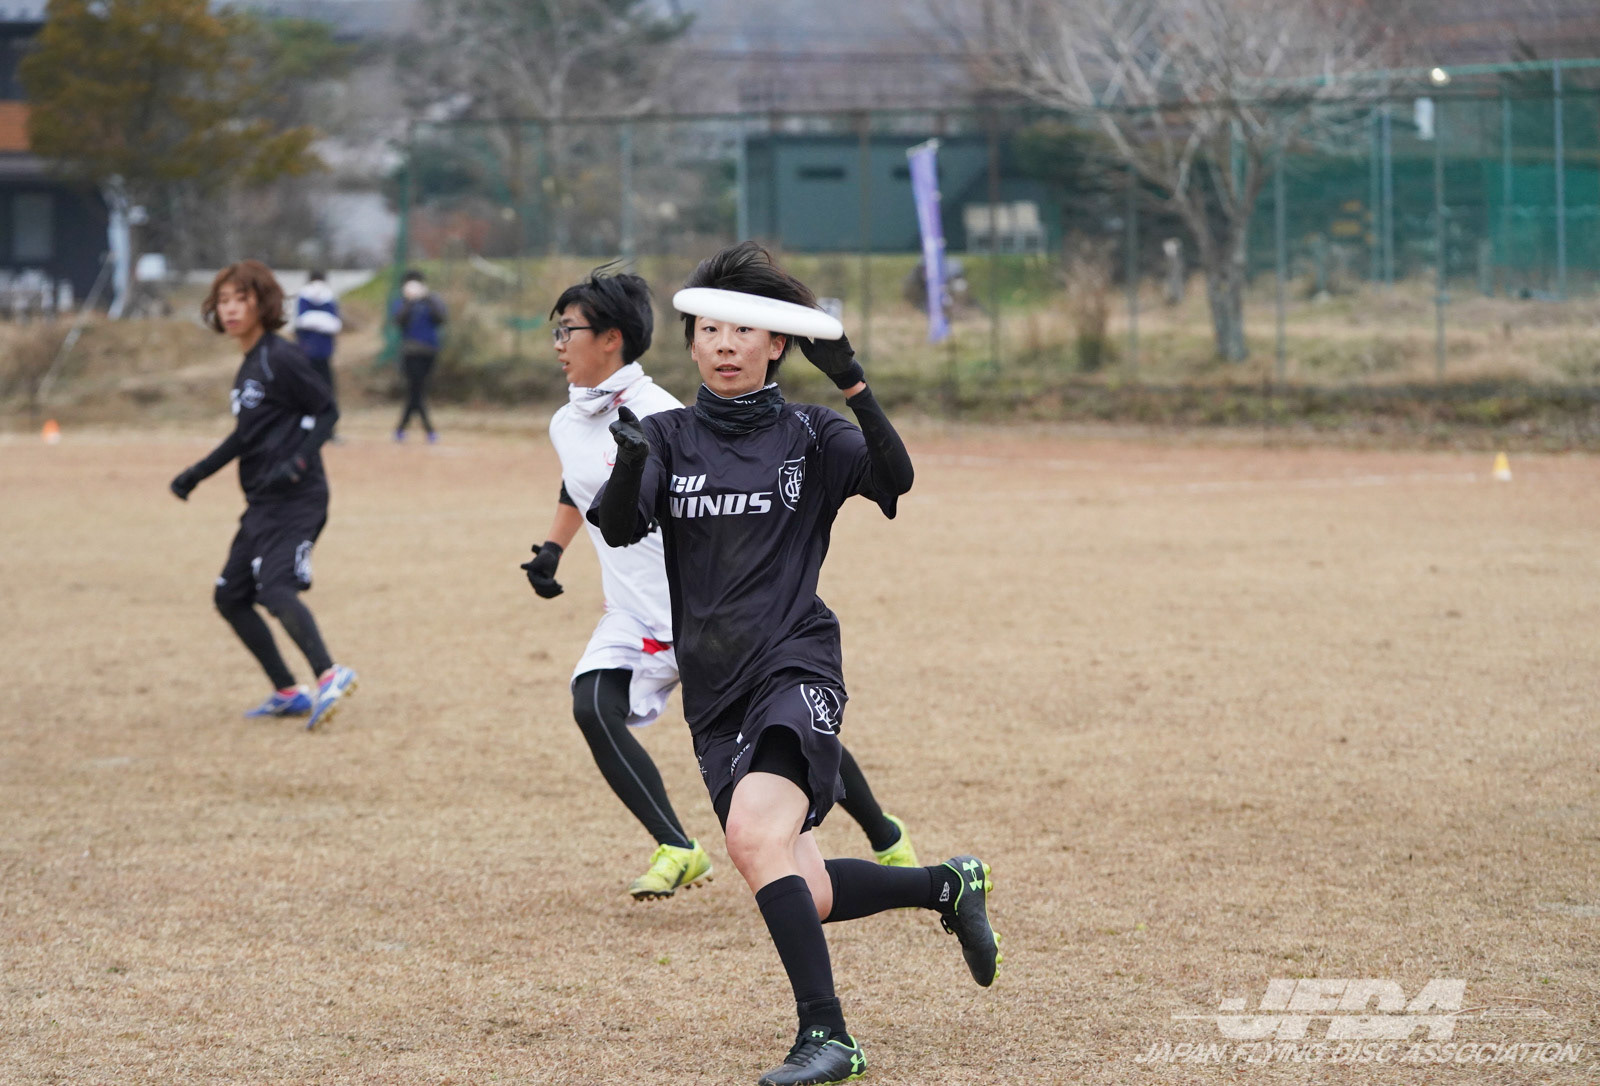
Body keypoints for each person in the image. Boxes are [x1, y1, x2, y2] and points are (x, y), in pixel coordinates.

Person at [592, 243, 999, 1085]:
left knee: (751, 835)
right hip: (715, 692)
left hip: (795, 664)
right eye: (709, 330)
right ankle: (945, 886)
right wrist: (630, 461)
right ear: (691, 341)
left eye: (742, 329)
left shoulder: (811, 432)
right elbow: (621, 525)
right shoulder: (666, 435)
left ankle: (829, 1036)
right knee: (802, 888)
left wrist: (853, 381)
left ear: (777, 340)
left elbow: (895, 479)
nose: (724, 344)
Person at [525, 268, 920, 903]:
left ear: (611, 337)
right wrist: (553, 548)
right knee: (593, 703)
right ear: (693, 341)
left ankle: (882, 831)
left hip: (705, 611)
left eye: (567, 330)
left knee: (788, 730)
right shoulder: (568, 422)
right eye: (710, 331)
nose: (558, 343)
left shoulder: (666, 415)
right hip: (636, 613)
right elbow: (583, 483)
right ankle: (678, 846)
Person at [169, 260, 359, 731]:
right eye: (223, 301)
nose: (231, 309)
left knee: (275, 589)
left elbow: (328, 410)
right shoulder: (250, 364)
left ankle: (330, 674)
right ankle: (288, 692)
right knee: (231, 596)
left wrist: (299, 462)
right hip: (261, 501)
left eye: (242, 299)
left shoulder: (281, 357)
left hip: (297, 499)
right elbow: (245, 436)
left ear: (263, 304)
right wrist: (196, 474)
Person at [391, 270, 447, 443]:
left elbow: (440, 318)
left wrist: (427, 297)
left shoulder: (432, 299)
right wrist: (409, 301)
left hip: (430, 350)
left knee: (418, 390)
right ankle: (428, 429)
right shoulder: (402, 301)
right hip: (411, 351)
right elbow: (399, 321)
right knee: (416, 390)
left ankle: (402, 428)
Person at [293, 270, 343, 436]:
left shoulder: (329, 298)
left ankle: (327, 429)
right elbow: (301, 321)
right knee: (307, 391)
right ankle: (306, 428)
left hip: (323, 354)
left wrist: (315, 320)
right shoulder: (303, 298)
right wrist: (323, 321)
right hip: (307, 354)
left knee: (326, 391)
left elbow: (335, 324)